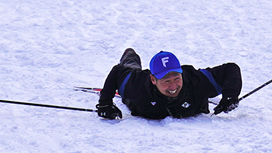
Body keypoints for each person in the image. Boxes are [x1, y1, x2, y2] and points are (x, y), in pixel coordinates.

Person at [96, 48, 242, 120]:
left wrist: (230, 96)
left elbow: (231, 69)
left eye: (176, 78)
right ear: (153, 80)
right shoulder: (136, 84)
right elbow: (117, 72)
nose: (173, 86)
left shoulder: (196, 80)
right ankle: (130, 54)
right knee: (130, 66)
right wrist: (105, 103)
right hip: (136, 83)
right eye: (166, 81)